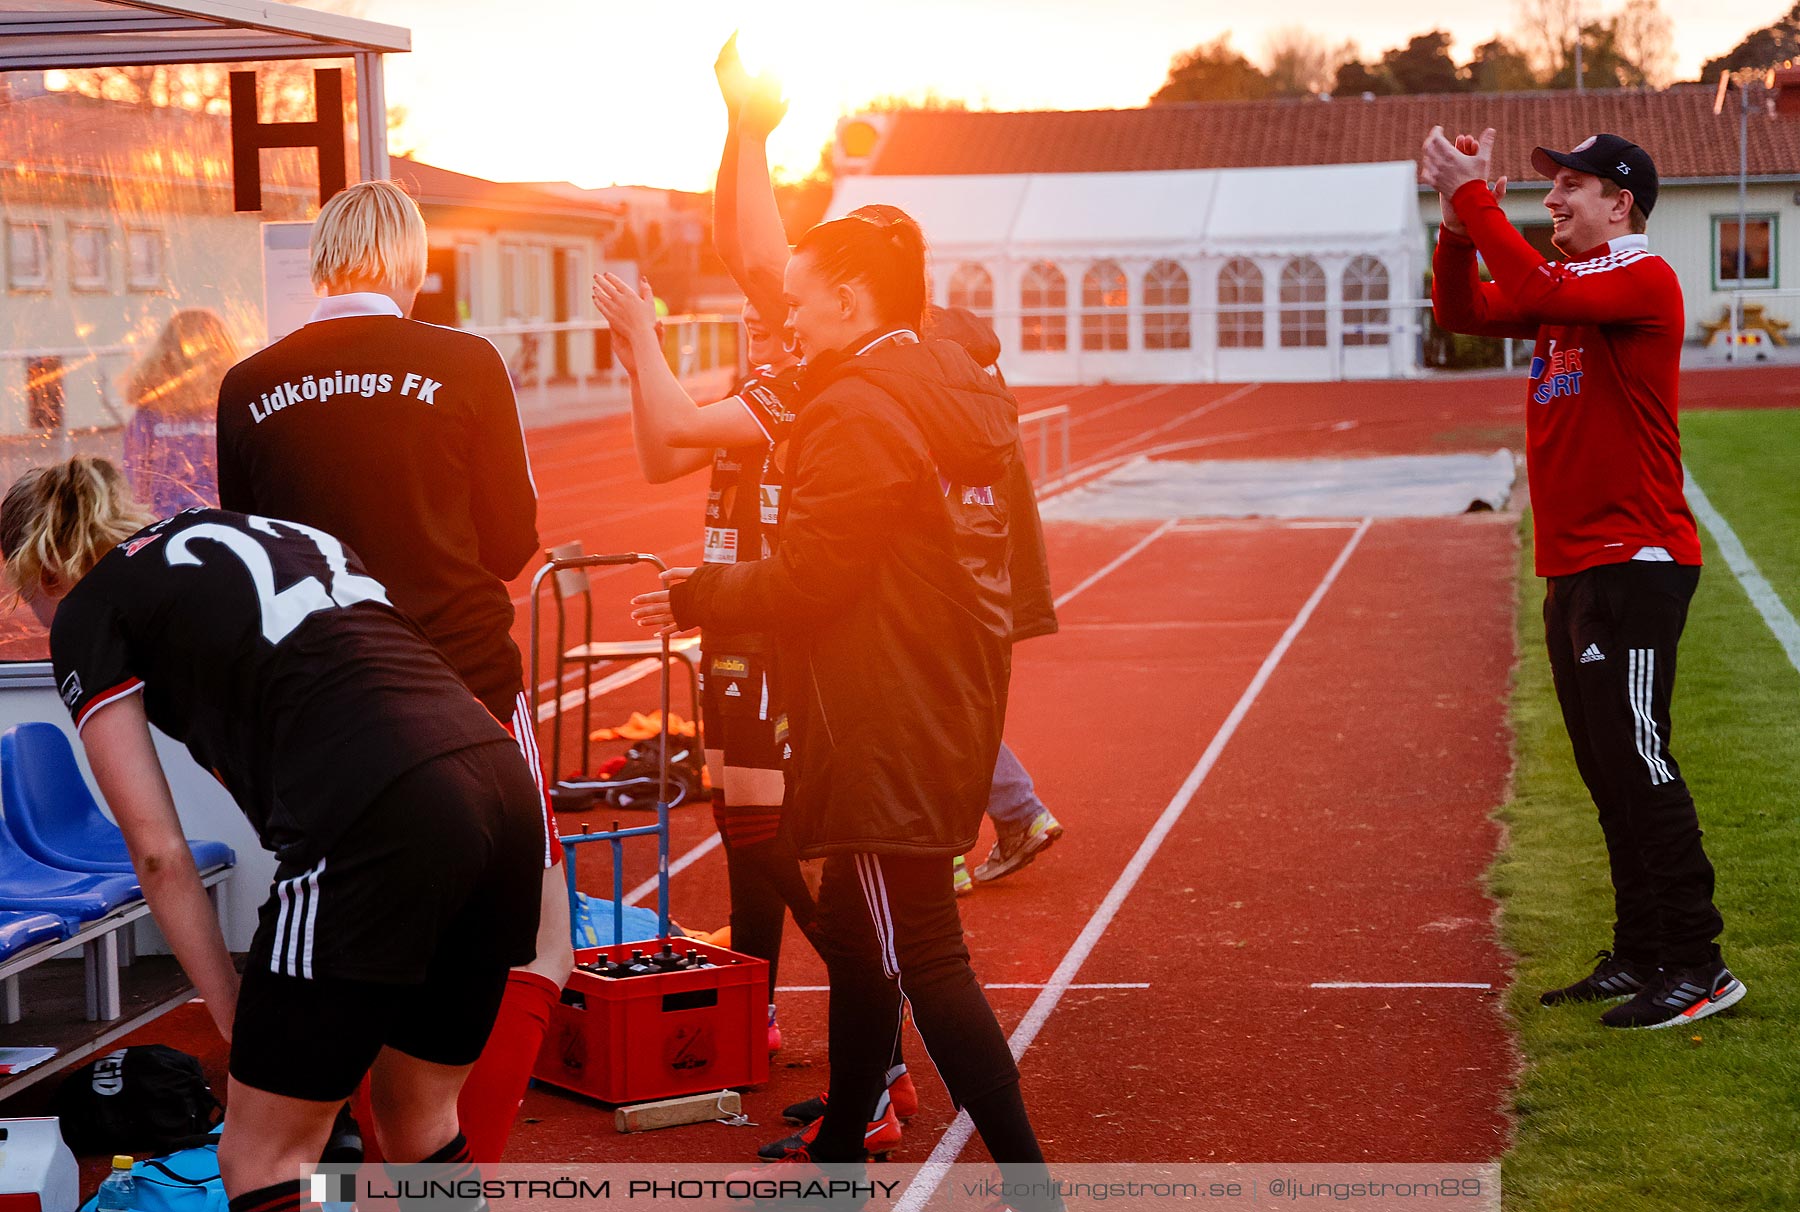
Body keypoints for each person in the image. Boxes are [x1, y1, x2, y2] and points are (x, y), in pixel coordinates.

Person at [630, 206, 1056, 1207]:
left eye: (801, 302)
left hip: (881, 714)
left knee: (924, 958)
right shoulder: (949, 378)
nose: (790, 319)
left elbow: (814, 577)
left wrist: (700, 593)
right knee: (875, 946)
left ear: (852, 300)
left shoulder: (858, 404)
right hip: (938, 693)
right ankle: (843, 1152)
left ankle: (1033, 1187)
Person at [0, 458, 541, 1212]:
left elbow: (156, 849)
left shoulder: (94, 605)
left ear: (45, 567)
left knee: (259, 1155)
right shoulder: (275, 534)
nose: (37, 618)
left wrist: (231, 1011)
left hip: (380, 811)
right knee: (419, 1122)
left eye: (29, 601)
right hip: (501, 788)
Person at [214, 179, 570, 1159]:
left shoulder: (250, 382)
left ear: (323, 260)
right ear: (412, 264)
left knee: (348, 938)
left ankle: (353, 1137)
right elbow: (510, 541)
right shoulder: (463, 362)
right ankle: (458, 1149)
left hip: (328, 712)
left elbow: (251, 561)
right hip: (465, 691)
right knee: (534, 930)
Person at [1421, 126, 1743, 1029]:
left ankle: (1699, 962)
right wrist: (1456, 222)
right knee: (1609, 770)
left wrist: (1474, 195)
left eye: (1572, 185)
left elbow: (1520, 283)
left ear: (1622, 202)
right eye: (1550, 184)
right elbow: (1462, 310)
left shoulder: (1640, 277)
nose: (1553, 198)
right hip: (1576, 569)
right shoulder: (1569, 294)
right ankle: (1642, 953)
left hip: (1634, 562)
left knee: (1638, 758)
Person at [586, 49, 819, 1060]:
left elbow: (674, 422)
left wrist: (645, 345)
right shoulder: (777, 350)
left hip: (783, 615)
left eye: (787, 299)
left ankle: (873, 1006)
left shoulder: (805, 380)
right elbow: (655, 454)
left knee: (779, 836)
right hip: (732, 610)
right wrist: (744, 132)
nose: (768, 305)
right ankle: (760, 1008)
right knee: (741, 822)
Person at [121, 309, 238, 514]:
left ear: (164, 352)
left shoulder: (147, 415)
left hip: (162, 526)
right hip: (224, 522)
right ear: (221, 352)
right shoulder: (231, 408)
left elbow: (135, 486)